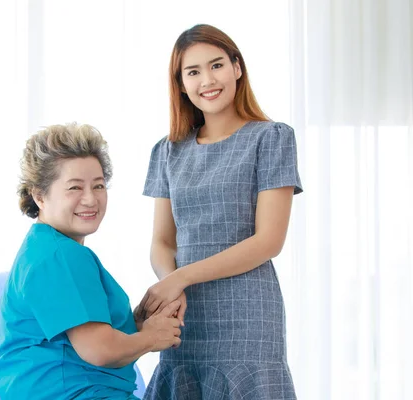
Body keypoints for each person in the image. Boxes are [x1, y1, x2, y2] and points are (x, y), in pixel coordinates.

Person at [137, 24, 303, 399]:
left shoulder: (271, 138)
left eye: (216, 65)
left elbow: (268, 241)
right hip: (184, 316)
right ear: (180, 84)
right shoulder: (166, 151)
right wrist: (171, 283)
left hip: (248, 314)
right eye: (193, 72)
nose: (207, 80)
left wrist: (180, 279)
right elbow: (162, 242)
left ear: (237, 68)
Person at [0, 122, 183, 400]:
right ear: (39, 196)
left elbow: (75, 338)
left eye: (99, 186)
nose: (91, 199)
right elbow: (99, 350)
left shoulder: (45, 247)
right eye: (74, 188)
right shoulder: (60, 255)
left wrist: (136, 325)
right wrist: (152, 338)